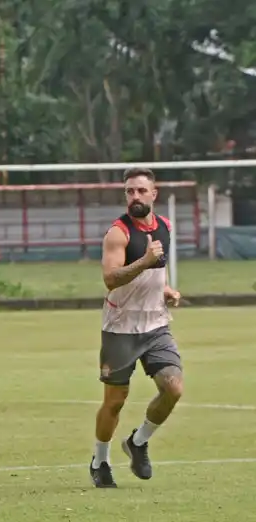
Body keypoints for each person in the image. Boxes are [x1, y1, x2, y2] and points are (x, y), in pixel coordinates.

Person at [90, 167, 184, 488]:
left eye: (141, 191)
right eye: (130, 191)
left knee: (173, 388)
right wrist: (143, 261)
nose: (135, 197)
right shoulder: (118, 233)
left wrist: (166, 290)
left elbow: (159, 273)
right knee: (115, 401)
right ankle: (100, 460)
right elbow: (110, 278)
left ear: (154, 194)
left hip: (156, 325)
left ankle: (138, 442)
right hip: (121, 328)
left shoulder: (166, 227)